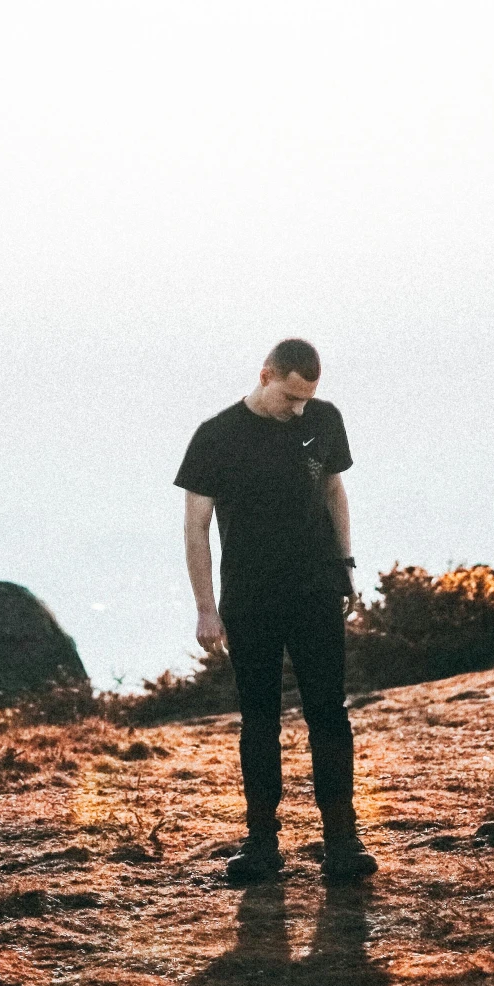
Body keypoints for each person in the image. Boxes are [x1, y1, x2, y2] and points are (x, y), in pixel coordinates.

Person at [175, 338, 378, 885]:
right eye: (290, 397)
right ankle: (261, 844)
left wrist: (345, 567)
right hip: (250, 598)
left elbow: (335, 491)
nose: (299, 410)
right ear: (266, 375)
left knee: (329, 714)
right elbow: (195, 527)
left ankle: (342, 841)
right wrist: (205, 608)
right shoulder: (215, 436)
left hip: (316, 591)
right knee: (259, 720)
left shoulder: (324, 419)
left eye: (307, 399)